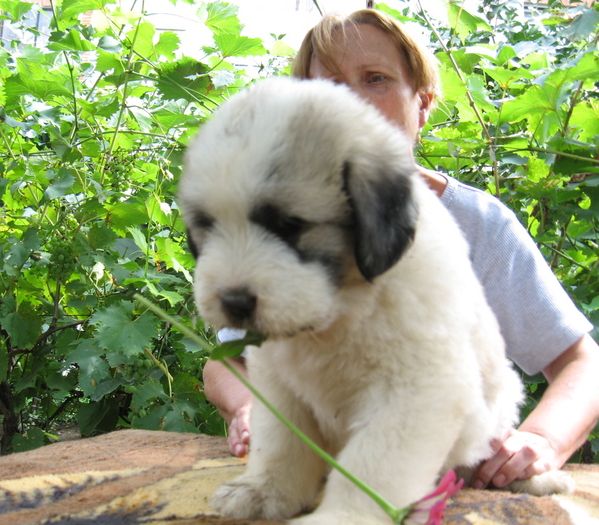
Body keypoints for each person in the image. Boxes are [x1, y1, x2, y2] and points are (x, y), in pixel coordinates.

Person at [202, 8, 599, 492]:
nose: (349, 100)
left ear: (424, 104)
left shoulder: (479, 225)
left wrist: (542, 440)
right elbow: (228, 360)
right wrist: (252, 408)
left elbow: (583, 363)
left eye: (376, 79)